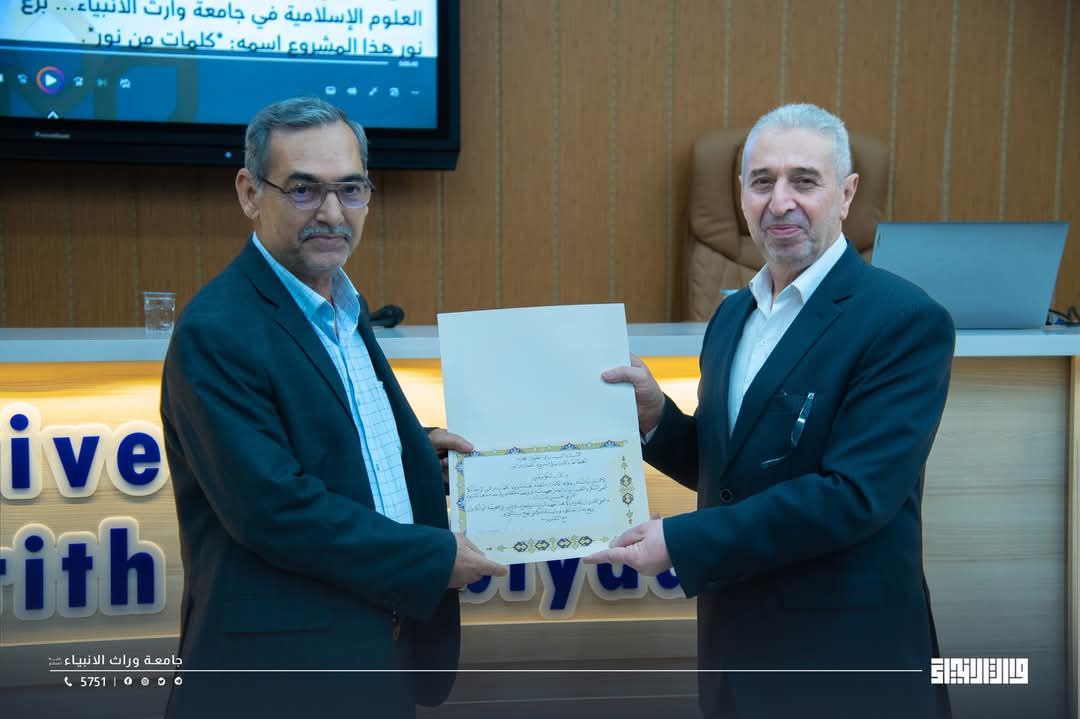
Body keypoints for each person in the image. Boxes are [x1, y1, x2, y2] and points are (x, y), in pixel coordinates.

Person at [588, 103, 954, 719]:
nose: (780, 202)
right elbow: (733, 472)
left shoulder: (903, 320)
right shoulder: (733, 315)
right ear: (741, 195)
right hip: (736, 656)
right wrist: (657, 420)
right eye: (762, 182)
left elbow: (852, 496)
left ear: (847, 194)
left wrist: (682, 540)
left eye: (804, 181)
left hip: (846, 665)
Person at [159, 97, 505, 718]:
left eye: (350, 188)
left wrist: (411, 454)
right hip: (278, 681)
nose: (331, 212)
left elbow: (322, 435)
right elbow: (274, 509)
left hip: (375, 655)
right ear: (249, 193)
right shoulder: (217, 329)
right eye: (303, 190)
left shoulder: (341, 306)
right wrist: (435, 559)